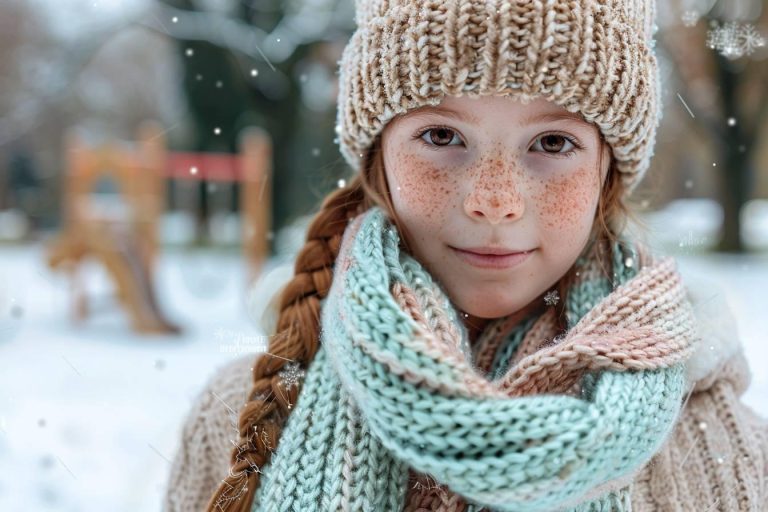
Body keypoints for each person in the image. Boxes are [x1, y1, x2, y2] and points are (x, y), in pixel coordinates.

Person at [164, 1, 768, 510]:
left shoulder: (720, 445)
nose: (494, 201)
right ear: (379, 157)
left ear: (606, 171)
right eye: (442, 136)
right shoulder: (243, 417)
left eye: (552, 142)